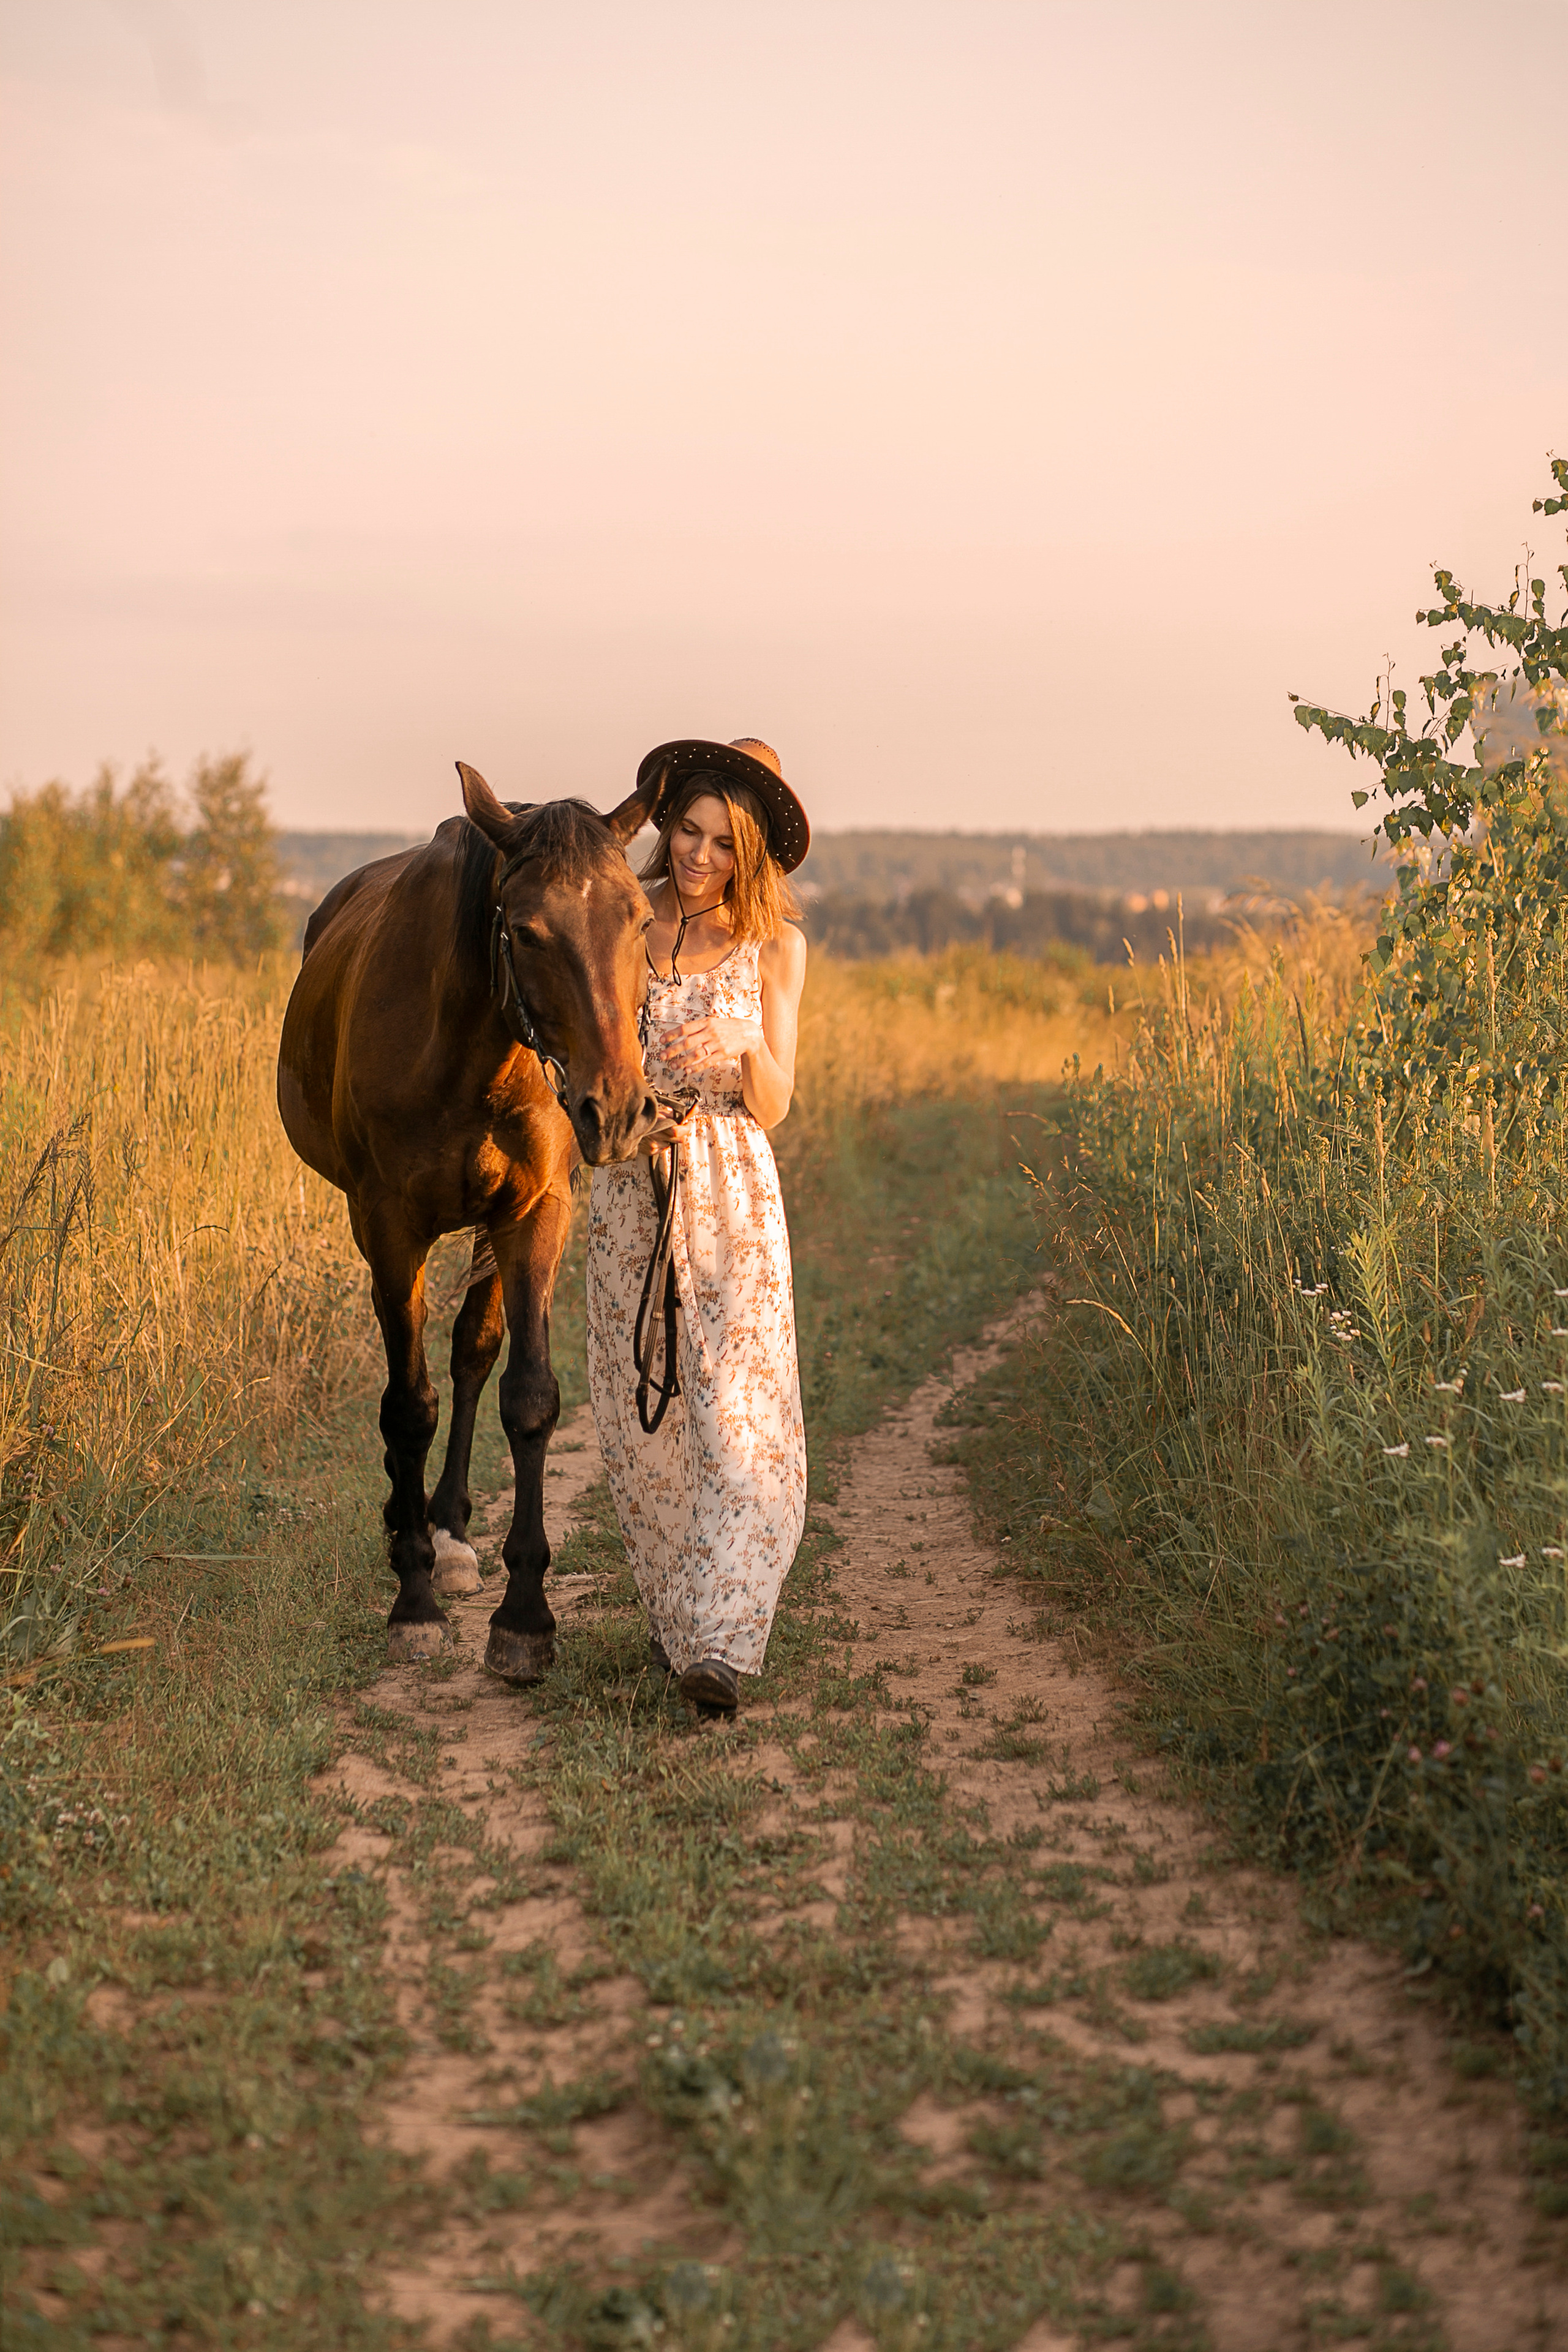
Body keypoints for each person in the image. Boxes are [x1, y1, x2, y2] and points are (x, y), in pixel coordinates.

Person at [585, 737, 810, 1717]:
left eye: (722, 842)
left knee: (738, 1407)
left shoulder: (778, 950)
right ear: (666, 826)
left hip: (730, 1186)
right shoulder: (629, 930)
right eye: (688, 831)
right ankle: (682, 1616)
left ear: (750, 854)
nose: (699, 855)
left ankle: (724, 1637)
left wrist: (746, 1039)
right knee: (644, 1419)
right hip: (636, 1185)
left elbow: (775, 1104)